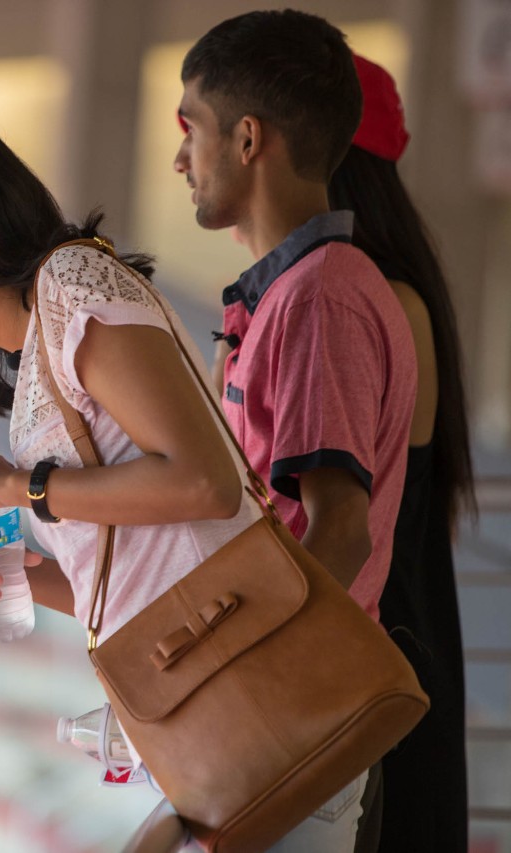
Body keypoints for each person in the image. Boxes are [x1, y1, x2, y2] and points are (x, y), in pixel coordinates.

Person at [0, 110, 358, 850]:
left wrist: (18, 487)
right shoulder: (37, 351)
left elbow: (204, 484)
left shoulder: (71, 280)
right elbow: (128, 568)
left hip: (254, 695)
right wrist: (18, 575)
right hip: (208, 698)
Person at [174, 11, 418, 850]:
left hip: (290, 711)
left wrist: (237, 679)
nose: (180, 159)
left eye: (190, 129)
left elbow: (338, 526)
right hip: (279, 704)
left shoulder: (322, 296)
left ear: (247, 138)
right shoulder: (290, 295)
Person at [326, 54, 474, 853]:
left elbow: (343, 521)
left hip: (383, 661)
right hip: (398, 653)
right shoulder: (390, 293)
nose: (189, 160)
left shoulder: (363, 301)